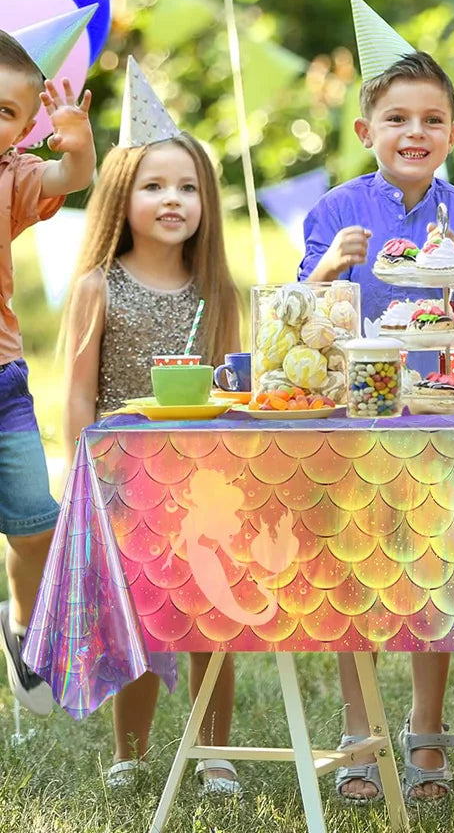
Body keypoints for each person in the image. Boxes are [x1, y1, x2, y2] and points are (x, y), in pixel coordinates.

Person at [300, 0, 454, 804]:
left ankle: (426, 733)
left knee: (430, 572)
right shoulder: (335, 212)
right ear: (366, 132)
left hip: (441, 414)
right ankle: (360, 731)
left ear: (451, 134)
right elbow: (304, 323)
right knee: (355, 573)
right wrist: (324, 273)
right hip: (357, 415)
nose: (415, 133)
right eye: (397, 119)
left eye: (432, 120)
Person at [59, 60, 242, 795]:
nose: (174, 199)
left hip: (204, 477)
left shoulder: (216, 290)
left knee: (210, 614)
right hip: (123, 481)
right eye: (155, 185)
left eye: (188, 187)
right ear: (121, 195)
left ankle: (216, 752)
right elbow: (76, 394)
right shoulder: (97, 287)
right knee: (131, 617)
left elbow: (234, 386)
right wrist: (87, 476)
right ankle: (130, 752)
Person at [0, 18, 96, 721]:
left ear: (24, 128)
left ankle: (27, 627)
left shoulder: (16, 178)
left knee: (35, 524)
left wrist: (77, 140)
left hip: (1, 386)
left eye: (8, 112)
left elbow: (73, 175)